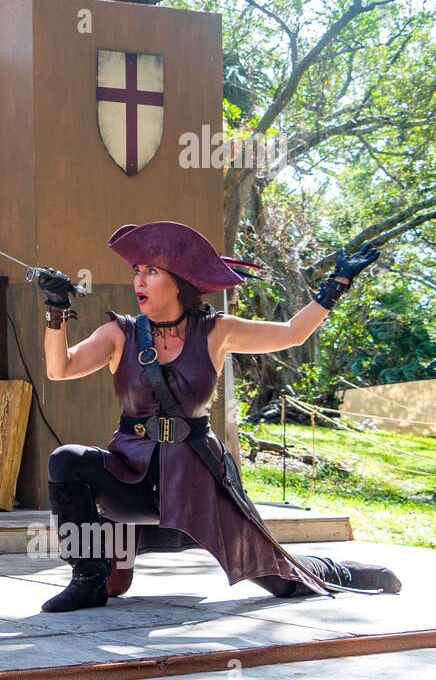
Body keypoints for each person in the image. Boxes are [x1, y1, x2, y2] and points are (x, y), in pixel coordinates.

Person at [33, 220, 401, 613]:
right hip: (132, 476)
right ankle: (87, 579)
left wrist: (335, 287)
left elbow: (292, 332)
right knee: (67, 461)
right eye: (136, 271)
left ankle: (337, 571)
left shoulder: (215, 331)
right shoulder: (118, 333)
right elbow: (60, 369)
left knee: (280, 579)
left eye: (151, 271)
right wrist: (56, 311)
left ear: (179, 282)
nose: (139, 280)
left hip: (198, 479)